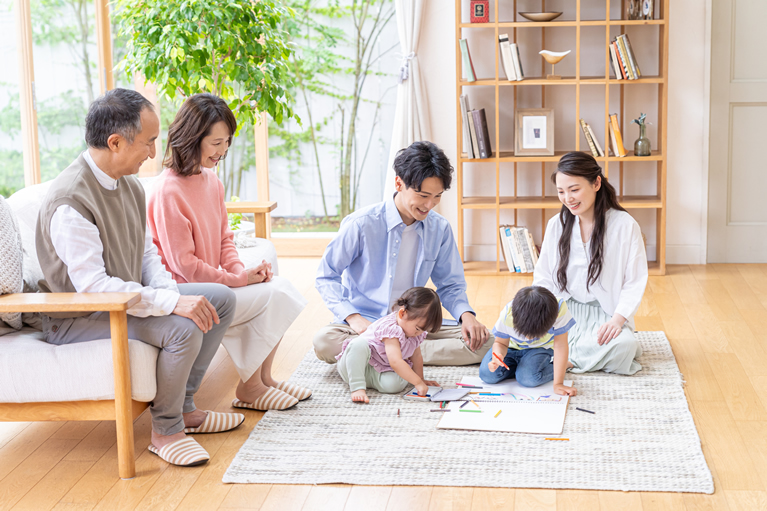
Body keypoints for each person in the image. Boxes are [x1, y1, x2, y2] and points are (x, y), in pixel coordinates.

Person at [36, 88, 243, 468]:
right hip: (80, 316)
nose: (153, 152)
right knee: (183, 328)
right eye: (148, 142)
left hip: (126, 299)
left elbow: (147, 254)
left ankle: (184, 408)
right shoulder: (70, 202)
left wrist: (169, 293)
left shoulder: (129, 184)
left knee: (220, 299)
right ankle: (166, 430)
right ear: (115, 142)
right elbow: (95, 289)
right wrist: (171, 303)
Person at [148, 93, 309, 412]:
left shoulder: (211, 181)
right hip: (186, 291)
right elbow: (187, 267)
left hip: (215, 286)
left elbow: (225, 239)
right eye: (216, 143)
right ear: (192, 139)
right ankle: (250, 388)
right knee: (276, 294)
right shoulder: (168, 190)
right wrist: (237, 280)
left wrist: (242, 274)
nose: (223, 151)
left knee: (275, 287)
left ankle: (263, 380)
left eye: (227, 142)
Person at [314, 141, 493, 366]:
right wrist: (353, 318)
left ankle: (386, 355)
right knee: (324, 341)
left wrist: (467, 316)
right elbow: (326, 276)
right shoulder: (361, 224)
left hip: (414, 326)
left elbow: (450, 284)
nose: (430, 205)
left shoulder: (439, 228)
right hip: (366, 325)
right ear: (399, 183)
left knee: (486, 341)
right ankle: (403, 354)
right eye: (423, 195)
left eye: (437, 196)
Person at [533, 151, 648, 375]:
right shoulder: (556, 224)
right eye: (561, 192)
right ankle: (574, 357)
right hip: (563, 311)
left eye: (574, 189)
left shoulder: (625, 225)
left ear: (596, 183)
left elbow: (635, 281)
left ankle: (566, 360)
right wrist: (544, 316)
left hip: (606, 312)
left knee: (624, 346)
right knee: (521, 337)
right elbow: (543, 277)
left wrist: (617, 321)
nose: (568, 198)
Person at [336, 287, 442, 403]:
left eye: (423, 330)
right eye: (417, 329)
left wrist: (421, 379)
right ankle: (357, 386)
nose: (419, 333)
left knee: (395, 384)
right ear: (402, 313)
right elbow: (395, 362)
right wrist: (417, 382)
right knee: (358, 345)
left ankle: (367, 381)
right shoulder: (391, 329)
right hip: (355, 364)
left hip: (377, 370)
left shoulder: (415, 334)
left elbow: (416, 356)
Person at [480, 286, 577, 396]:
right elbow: (500, 343)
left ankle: (562, 365)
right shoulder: (507, 315)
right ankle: (521, 369)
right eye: (524, 333)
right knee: (487, 375)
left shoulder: (559, 309)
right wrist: (497, 356)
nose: (529, 339)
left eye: (535, 335)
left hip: (539, 349)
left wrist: (558, 384)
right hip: (511, 348)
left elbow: (561, 346)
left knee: (528, 379)